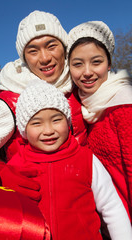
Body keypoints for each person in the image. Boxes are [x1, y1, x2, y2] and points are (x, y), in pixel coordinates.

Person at [0, 78, 132, 240]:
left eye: (56, 120)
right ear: (24, 129)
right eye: (36, 123)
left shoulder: (86, 160)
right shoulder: (15, 167)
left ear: (68, 121)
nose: (48, 130)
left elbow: (111, 207)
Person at [0, 10, 86, 200]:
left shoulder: (80, 84)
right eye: (33, 51)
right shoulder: (12, 100)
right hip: (33, 202)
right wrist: (0, 172)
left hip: (82, 200)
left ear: (64, 48)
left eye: (51, 46)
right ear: (24, 57)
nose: (44, 58)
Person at [67, 21, 132, 223]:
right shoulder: (78, 108)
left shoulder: (123, 104)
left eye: (96, 62)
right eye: (78, 64)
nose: (87, 72)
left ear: (109, 63)